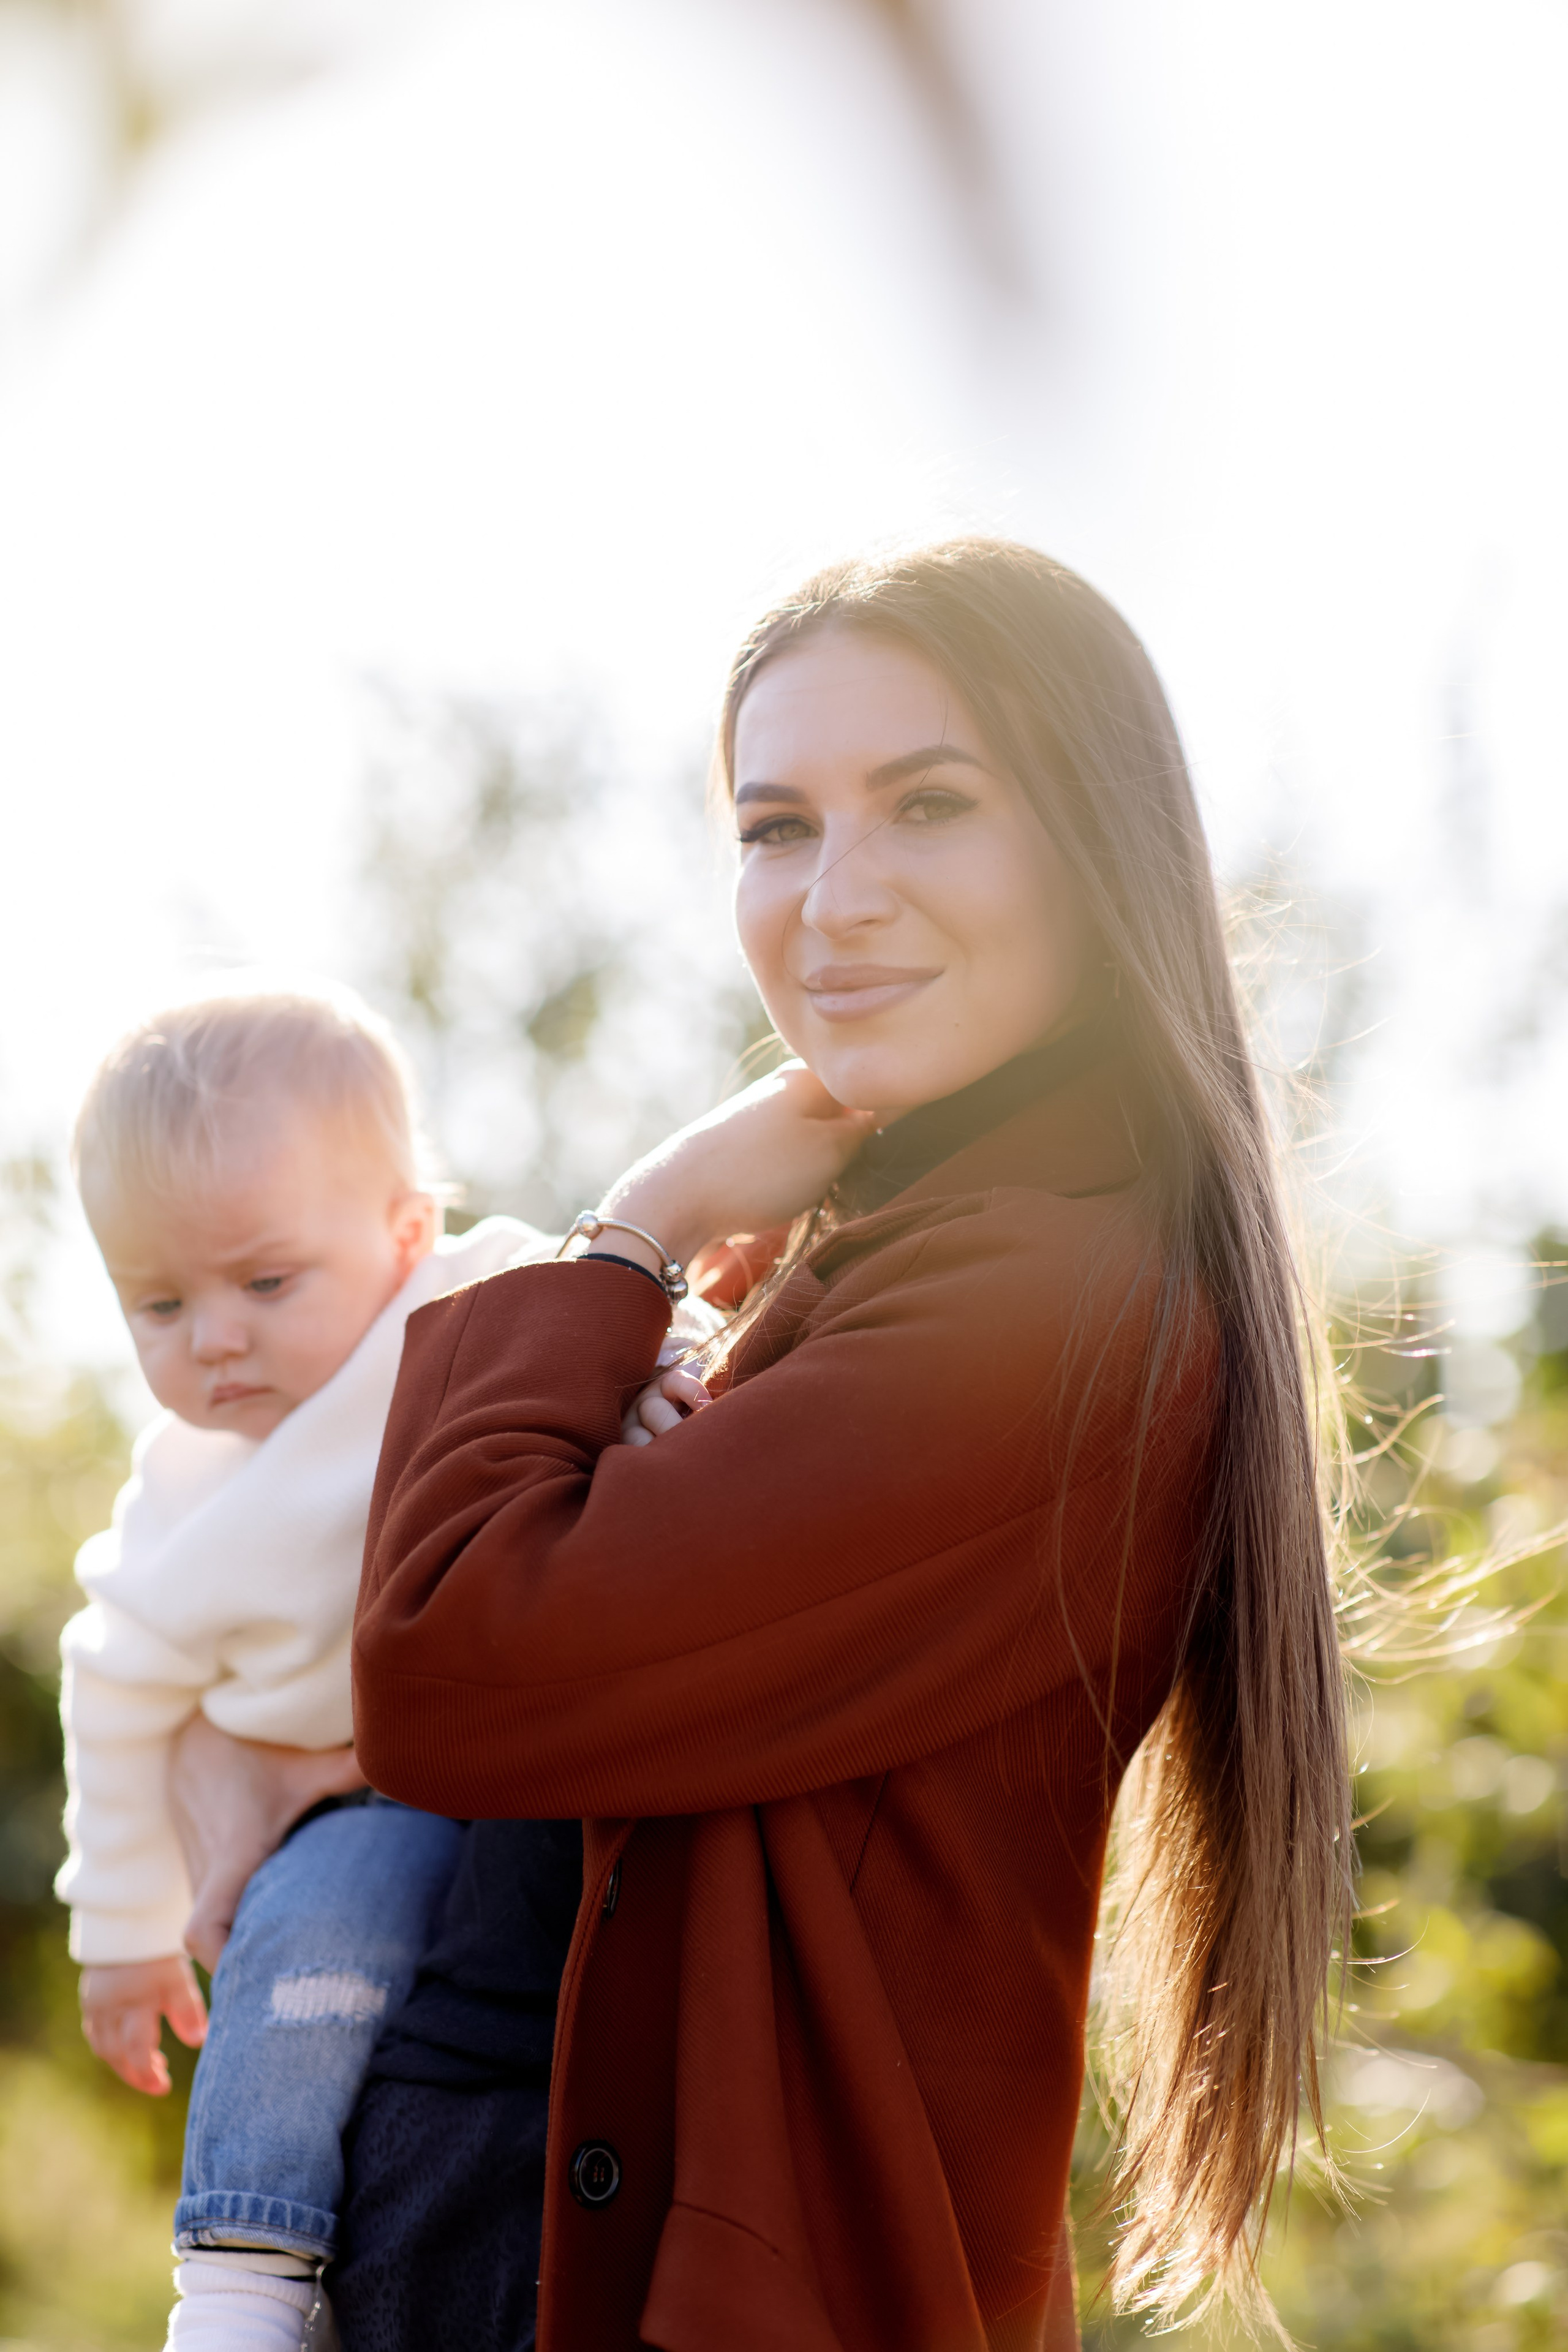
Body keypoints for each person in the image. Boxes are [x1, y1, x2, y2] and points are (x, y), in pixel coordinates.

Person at [197, 537, 1351, 2348]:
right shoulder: (912, 1250)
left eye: (930, 803)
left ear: (1094, 844)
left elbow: (460, 1661)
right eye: (776, 827)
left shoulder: (1037, 1298)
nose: (835, 898)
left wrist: (633, 1227)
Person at [57, 984, 707, 2352]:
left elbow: (621, 1307)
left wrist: (650, 1391)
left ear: (405, 1232)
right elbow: (114, 1690)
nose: (213, 1337)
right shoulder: (179, 1494)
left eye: (264, 1281)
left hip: (529, 1782)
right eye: (156, 1305)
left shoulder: (466, 1302)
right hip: (361, 1812)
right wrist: (120, 1931)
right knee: (303, 1955)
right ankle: (241, 2267)